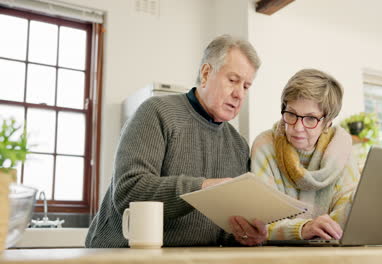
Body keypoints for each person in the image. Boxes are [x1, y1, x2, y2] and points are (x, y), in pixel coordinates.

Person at [85, 34, 266, 247]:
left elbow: (222, 228)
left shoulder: (238, 145)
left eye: (246, 86)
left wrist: (244, 234)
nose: (239, 94)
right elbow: (130, 190)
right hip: (121, 255)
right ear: (206, 73)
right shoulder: (156, 112)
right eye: (233, 80)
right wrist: (204, 188)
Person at [247, 69, 360, 242]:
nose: (298, 127)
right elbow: (260, 222)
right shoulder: (265, 146)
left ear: (327, 123)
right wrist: (303, 229)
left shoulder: (342, 152)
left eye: (310, 119)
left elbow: (348, 218)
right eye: (291, 114)